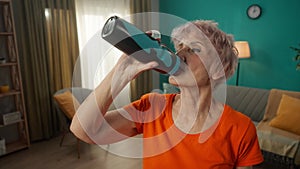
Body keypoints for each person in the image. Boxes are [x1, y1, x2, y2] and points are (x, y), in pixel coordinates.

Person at [70, 19, 264, 169]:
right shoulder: (152, 107)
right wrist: (121, 71)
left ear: (218, 69)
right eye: (179, 48)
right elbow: (82, 130)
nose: (180, 54)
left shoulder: (240, 128)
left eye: (195, 49)